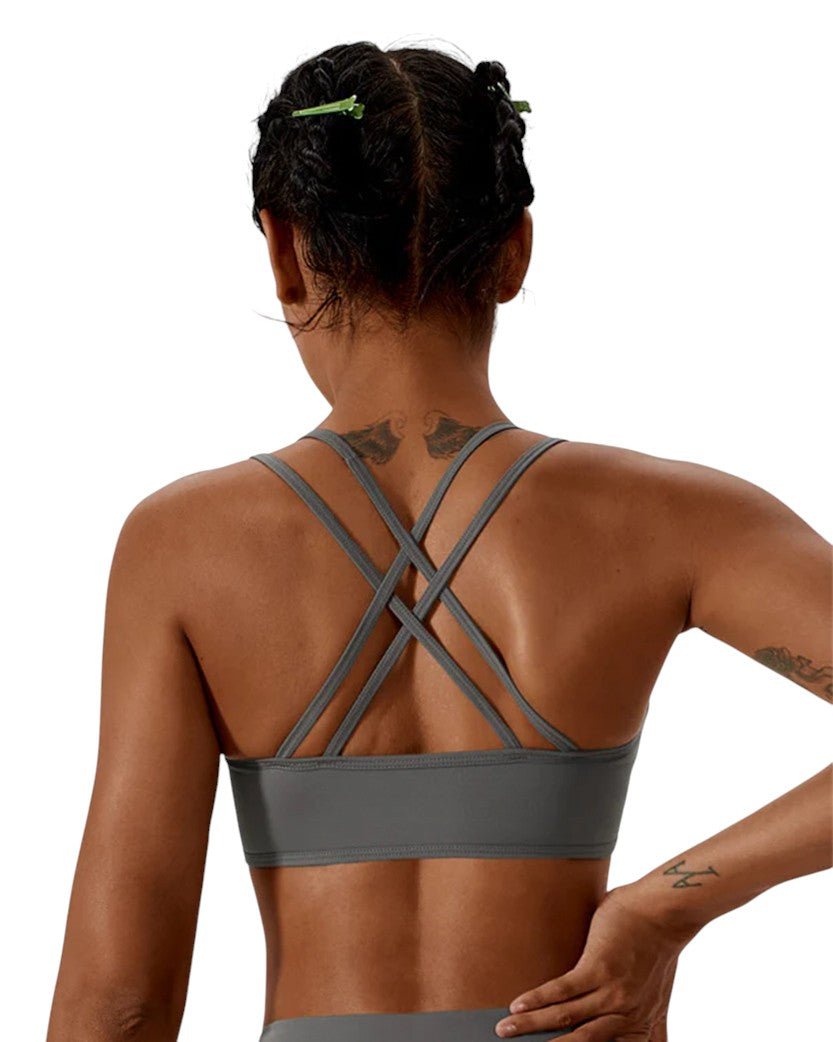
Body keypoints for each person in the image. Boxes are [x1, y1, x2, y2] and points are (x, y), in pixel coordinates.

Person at [46, 41, 831, 1042]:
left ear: (284, 250)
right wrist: (666, 904)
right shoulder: (672, 519)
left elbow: (118, 1003)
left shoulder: (182, 546)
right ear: (514, 251)